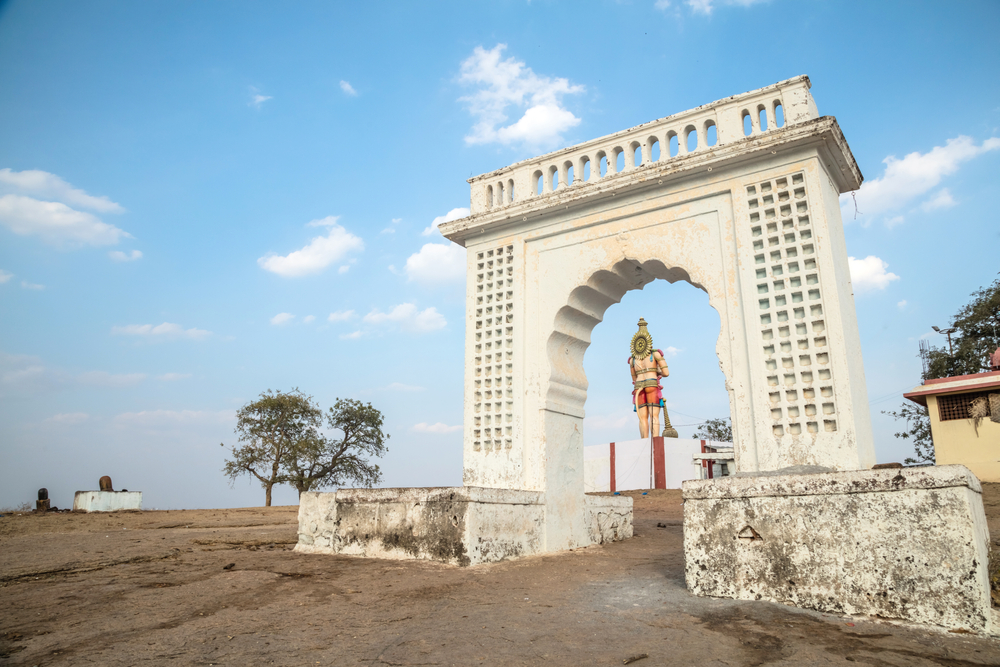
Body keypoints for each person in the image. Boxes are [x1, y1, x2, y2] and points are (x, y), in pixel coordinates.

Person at [628, 318, 670, 438]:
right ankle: (655, 439)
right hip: (651, 384)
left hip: (638, 387)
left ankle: (643, 441)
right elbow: (666, 373)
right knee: (654, 416)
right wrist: (656, 370)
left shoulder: (632, 360)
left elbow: (634, 379)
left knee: (642, 418)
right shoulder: (655, 354)